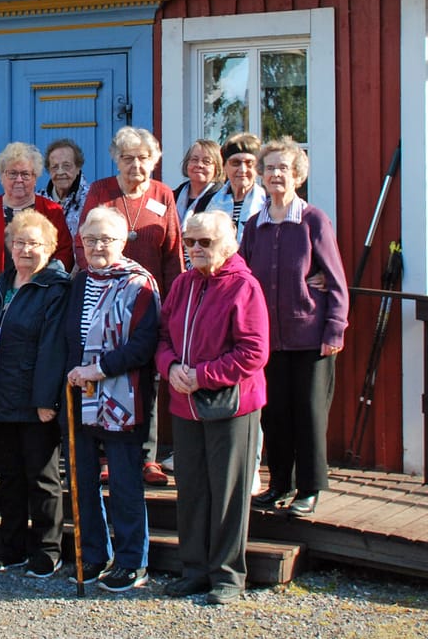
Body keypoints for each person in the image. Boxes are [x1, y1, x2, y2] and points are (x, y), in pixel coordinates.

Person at [157, 210, 269, 605]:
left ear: (227, 243)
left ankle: (227, 577)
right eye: (190, 242)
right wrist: (170, 367)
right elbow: (162, 335)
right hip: (184, 404)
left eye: (204, 242)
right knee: (191, 490)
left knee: (227, 493)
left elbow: (253, 352)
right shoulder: (183, 284)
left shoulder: (244, 287)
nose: (195, 249)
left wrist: (202, 375)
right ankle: (194, 569)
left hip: (230, 406)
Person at [241, 137, 349, 518]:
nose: (274, 175)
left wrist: (334, 328)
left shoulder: (312, 220)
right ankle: (279, 485)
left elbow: (335, 280)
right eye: (268, 168)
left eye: (282, 168)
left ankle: (310, 488)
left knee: (309, 412)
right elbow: (242, 275)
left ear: (297, 175)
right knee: (275, 414)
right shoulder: (255, 225)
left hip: (310, 337)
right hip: (268, 340)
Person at [75, 126, 182, 485]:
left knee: (145, 375)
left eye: (142, 158)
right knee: (104, 369)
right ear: (115, 160)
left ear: (153, 161)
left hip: (147, 299)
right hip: (104, 293)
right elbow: (83, 239)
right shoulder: (100, 191)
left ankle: (147, 455)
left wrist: (173, 300)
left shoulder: (163, 194)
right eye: (127, 158)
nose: (135, 164)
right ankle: (108, 453)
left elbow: (173, 253)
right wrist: (94, 274)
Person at [64, 207, 160, 593]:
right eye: (90, 239)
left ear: (122, 242)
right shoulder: (79, 281)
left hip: (123, 398)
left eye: (106, 239)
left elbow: (143, 345)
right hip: (80, 397)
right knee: (82, 480)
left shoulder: (140, 285)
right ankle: (93, 554)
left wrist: (97, 370)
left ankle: (132, 561)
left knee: (123, 481)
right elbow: (69, 336)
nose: (97, 246)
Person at [0, 210, 70, 579]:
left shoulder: (55, 288)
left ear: (49, 248)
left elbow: (53, 348)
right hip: (0, 400)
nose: (25, 250)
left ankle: (48, 550)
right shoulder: (0, 286)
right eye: (19, 242)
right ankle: (12, 547)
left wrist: (45, 400)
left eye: (34, 243)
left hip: (36, 402)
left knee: (42, 478)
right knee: (9, 476)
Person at [0, 142, 73, 312]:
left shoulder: (52, 211)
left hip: (39, 301)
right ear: (2, 177)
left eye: (25, 174)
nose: (19, 179)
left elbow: (64, 252)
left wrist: (41, 283)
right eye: (12, 174)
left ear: (35, 178)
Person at [209, 133, 266, 242]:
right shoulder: (210, 202)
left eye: (249, 163)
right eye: (235, 163)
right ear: (224, 166)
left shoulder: (267, 203)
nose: (243, 169)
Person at [39, 137, 91, 239]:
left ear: (78, 168)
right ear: (49, 170)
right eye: (54, 167)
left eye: (66, 166)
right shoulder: (38, 200)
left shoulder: (92, 198)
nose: (60, 172)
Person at [174, 138, 224, 226]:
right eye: (194, 160)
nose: (199, 165)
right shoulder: (173, 196)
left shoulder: (222, 198)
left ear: (217, 167)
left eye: (206, 161)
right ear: (187, 163)